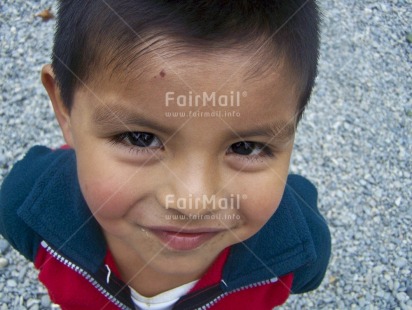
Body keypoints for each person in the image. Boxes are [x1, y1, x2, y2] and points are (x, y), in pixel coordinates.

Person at [0, 1, 331, 309]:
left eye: (246, 147)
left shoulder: (297, 252)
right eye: (141, 139)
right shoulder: (28, 209)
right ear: (65, 110)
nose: (194, 201)